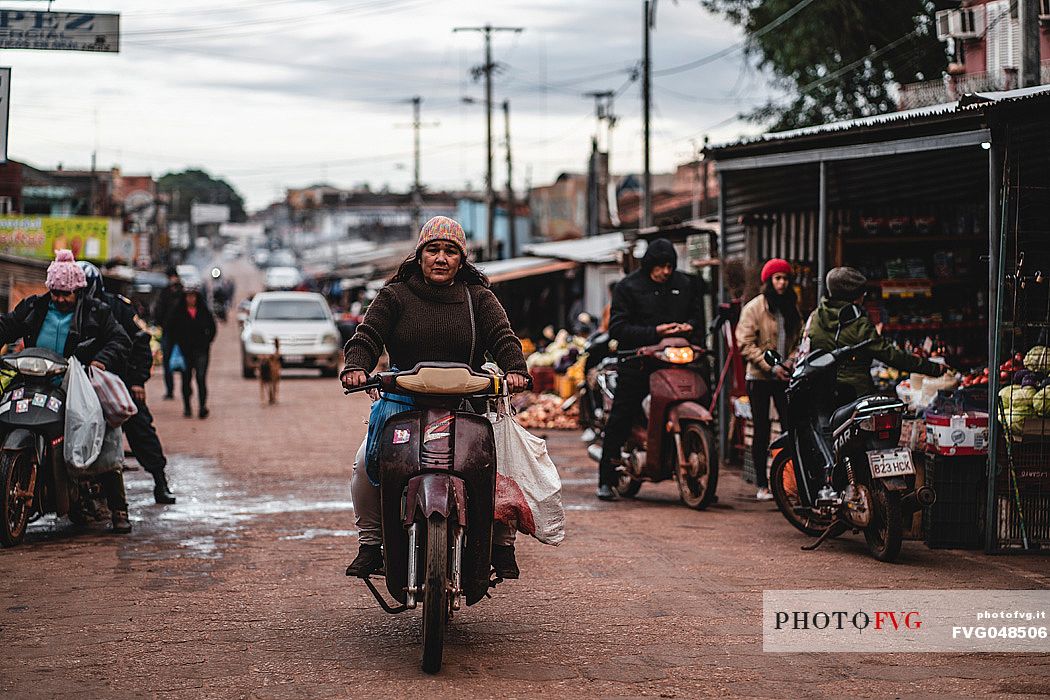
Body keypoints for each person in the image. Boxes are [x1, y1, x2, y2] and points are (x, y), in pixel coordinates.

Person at [340, 216, 530, 579]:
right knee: (366, 462)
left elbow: (504, 339)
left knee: (500, 460)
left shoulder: (479, 298)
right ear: (420, 255)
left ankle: (502, 545)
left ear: (462, 259)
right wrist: (356, 366)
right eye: (433, 250)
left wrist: (516, 369)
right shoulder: (394, 295)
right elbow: (366, 337)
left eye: (450, 251)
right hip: (403, 401)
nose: (441, 258)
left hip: (467, 402)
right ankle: (370, 543)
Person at [0, 250, 133, 532]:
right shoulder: (34, 307)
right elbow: (7, 326)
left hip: (76, 384)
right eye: (56, 292)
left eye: (66, 294)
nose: (60, 299)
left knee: (103, 432)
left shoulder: (97, 311)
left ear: (77, 291)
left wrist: (100, 361)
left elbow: (120, 339)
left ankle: (119, 508)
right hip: (34, 379)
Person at [804, 266, 946, 500]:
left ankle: (831, 487)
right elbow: (889, 355)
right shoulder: (858, 322)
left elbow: (804, 351)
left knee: (827, 440)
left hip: (826, 394)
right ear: (853, 295)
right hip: (857, 395)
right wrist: (932, 368)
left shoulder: (815, 319)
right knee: (859, 444)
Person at [597, 238, 703, 501]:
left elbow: (697, 317)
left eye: (670, 266)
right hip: (638, 361)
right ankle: (606, 478)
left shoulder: (684, 284)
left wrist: (688, 327)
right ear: (649, 265)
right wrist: (655, 332)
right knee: (622, 415)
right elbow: (618, 329)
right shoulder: (628, 287)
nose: (666, 272)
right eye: (660, 267)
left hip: (675, 360)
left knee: (702, 395)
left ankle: (695, 476)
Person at [78, 262, 176, 505]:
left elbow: (140, 344)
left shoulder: (117, 308)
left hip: (119, 382)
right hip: (78, 382)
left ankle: (159, 481)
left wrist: (137, 381)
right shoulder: (63, 310)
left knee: (140, 427)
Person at [735, 259, 801, 502]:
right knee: (761, 429)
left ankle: (789, 483)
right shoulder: (754, 308)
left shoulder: (791, 307)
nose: (782, 283)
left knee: (789, 427)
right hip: (760, 377)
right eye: (777, 278)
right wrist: (771, 366)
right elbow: (745, 343)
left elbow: (799, 340)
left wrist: (790, 363)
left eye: (785, 278)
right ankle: (762, 484)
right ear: (769, 281)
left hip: (785, 376)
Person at [164, 281, 216, 419]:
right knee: (186, 380)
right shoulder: (178, 312)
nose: (191, 299)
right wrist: (178, 342)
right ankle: (187, 406)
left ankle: (202, 406)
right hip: (184, 351)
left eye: (193, 296)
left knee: (201, 378)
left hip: (201, 351)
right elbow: (170, 328)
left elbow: (212, 328)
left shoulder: (204, 311)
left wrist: (207, 341)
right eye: (188, 296)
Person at [153, 266, 183, 400]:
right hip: (168, 333)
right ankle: (170, 390)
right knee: (167, 363)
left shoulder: (182, 292)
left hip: (182, 334)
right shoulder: (165, 292)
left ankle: (185, 389)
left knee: (185, 364)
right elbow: (158, 310)